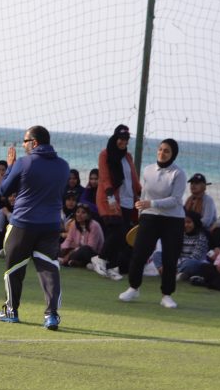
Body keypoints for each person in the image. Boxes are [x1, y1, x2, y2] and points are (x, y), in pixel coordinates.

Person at [0, 125, 69, 330]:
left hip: (23, 225)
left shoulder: (23, 163)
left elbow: (4, 190)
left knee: (14, 269)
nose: (23, 145)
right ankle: (51, 316)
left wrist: (10, 167)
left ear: (34, 143)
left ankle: (10, 311)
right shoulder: (63, 166)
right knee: (49, 269)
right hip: (51, 226)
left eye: (25, 141)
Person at [117, 139, 187, 308]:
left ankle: (166, 295)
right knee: (139, 254)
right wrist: (141, 214)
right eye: (160, 149)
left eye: (167, 151)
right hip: (149, 217)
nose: (162, 153)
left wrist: (151, 203)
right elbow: (144, 196)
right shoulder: (148, 170)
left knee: (169, 258)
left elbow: (175, 200)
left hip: (173, 219)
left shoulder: (178, 173)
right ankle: (133, 288)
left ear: (173, 154)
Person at [93, 124, 140, 280]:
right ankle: (100, 258)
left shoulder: (128, 157)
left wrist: (140, 193)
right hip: (111, 199)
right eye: (120, 138)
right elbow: (104, 177)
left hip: (128, 201)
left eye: (126, 139)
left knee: (122, 236)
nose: (123, 142)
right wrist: (111, 198)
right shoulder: (105, 154)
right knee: (116, 231)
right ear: (115, 138)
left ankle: (113, 267)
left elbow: (133, 178)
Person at [59, 203, 104, 267]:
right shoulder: (74, 224)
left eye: (83, 213)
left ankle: (68, 261)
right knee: (59, 247)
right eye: (78, 212)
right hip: (78, 251)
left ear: (88, 215)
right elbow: (68, 240)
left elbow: (91, 247)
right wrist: (61, 250)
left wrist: (70, 253)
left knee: (84, 250)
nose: (79, 215)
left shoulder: (94, 225)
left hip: (93, 254)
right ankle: (75, 262)